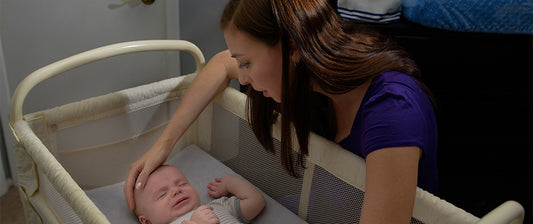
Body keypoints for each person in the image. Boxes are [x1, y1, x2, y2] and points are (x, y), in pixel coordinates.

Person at [125, 0, 438, 223]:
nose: (242, 78)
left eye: (246, 63)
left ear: (293, 49)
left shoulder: (392, 111)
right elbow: (221, 64)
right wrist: (163, 146)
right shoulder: (309, 76)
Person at [133, 165, 265, 224]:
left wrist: (231, 183)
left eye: (182, 184)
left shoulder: (217, 206)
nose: (176, 191)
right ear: (147, 222)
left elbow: (255, 201)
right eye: (162, 194)